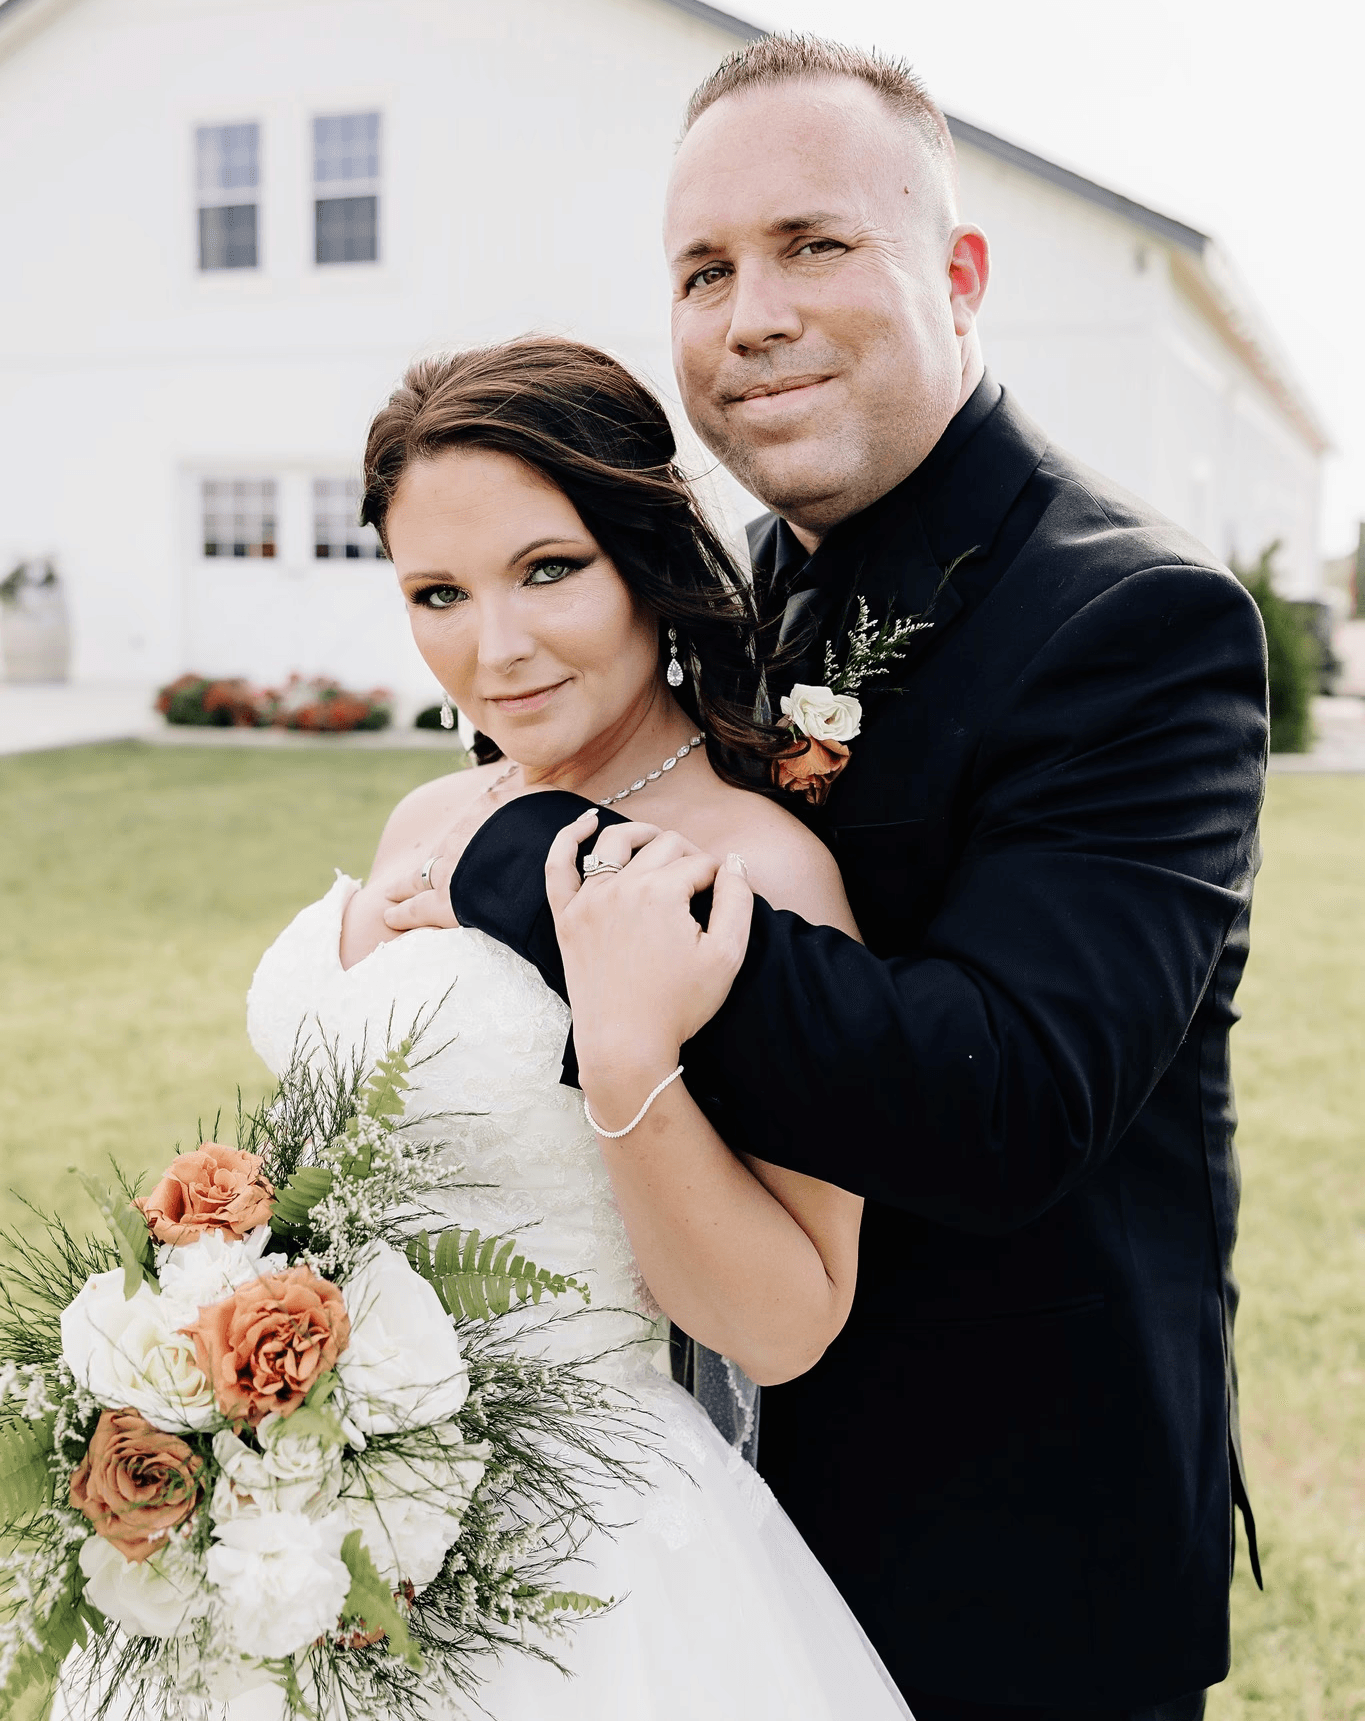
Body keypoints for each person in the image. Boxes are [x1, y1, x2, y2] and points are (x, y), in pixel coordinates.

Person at [388, 36, 1269, 1721]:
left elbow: (1007, 1101)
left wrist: (530, 867)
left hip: (1009, 1551)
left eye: (813, 245)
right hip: (696, 1534)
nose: (752, 315)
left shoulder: (1134, 623)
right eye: (704, 270)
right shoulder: (722, 595)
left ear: (960, 274)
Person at [241, 336, 912, 1720]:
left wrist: (625, 1058)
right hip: (317, 1518)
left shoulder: (754, 871)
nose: (495, 648)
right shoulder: (431, 816)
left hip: (590, 1555)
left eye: (548, 570)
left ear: (645, 561)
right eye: (438, 593)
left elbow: (786, 1325)